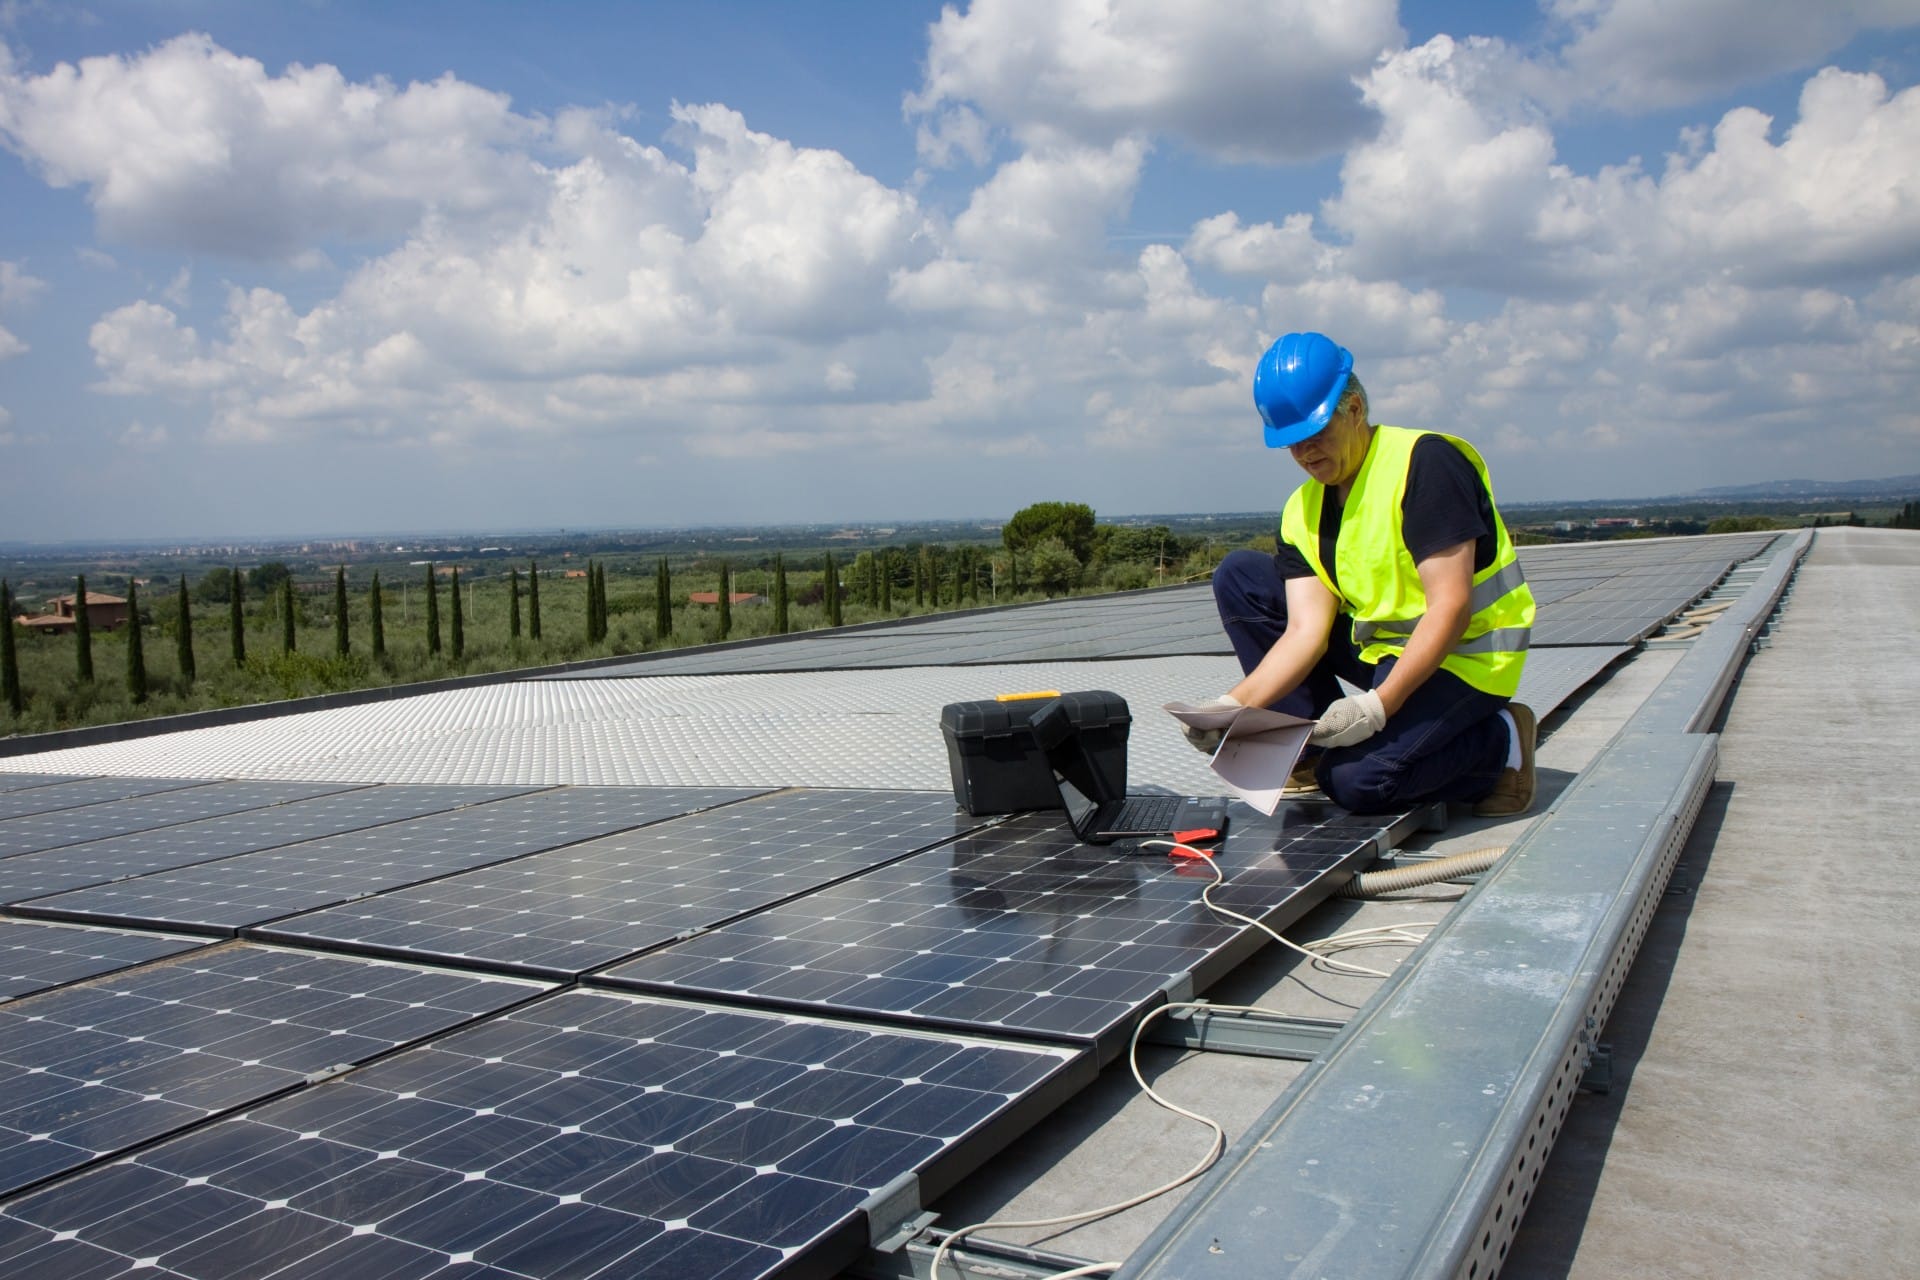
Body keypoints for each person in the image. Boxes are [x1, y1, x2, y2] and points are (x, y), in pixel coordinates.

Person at [1192, 331, 1538, 817]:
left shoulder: (1425, 464)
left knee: (1359, 782)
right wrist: (1230, 707)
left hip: (1466, 660)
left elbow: (1451, 606)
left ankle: (1498, 743)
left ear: (1354, 409)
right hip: (1387, 654)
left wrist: (1379, 706)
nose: (1307, 455)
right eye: (1292, 444)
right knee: (1242, 576)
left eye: (1317, 436)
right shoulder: (1303, 510)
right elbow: (1303, 634)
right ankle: (1307, 751)